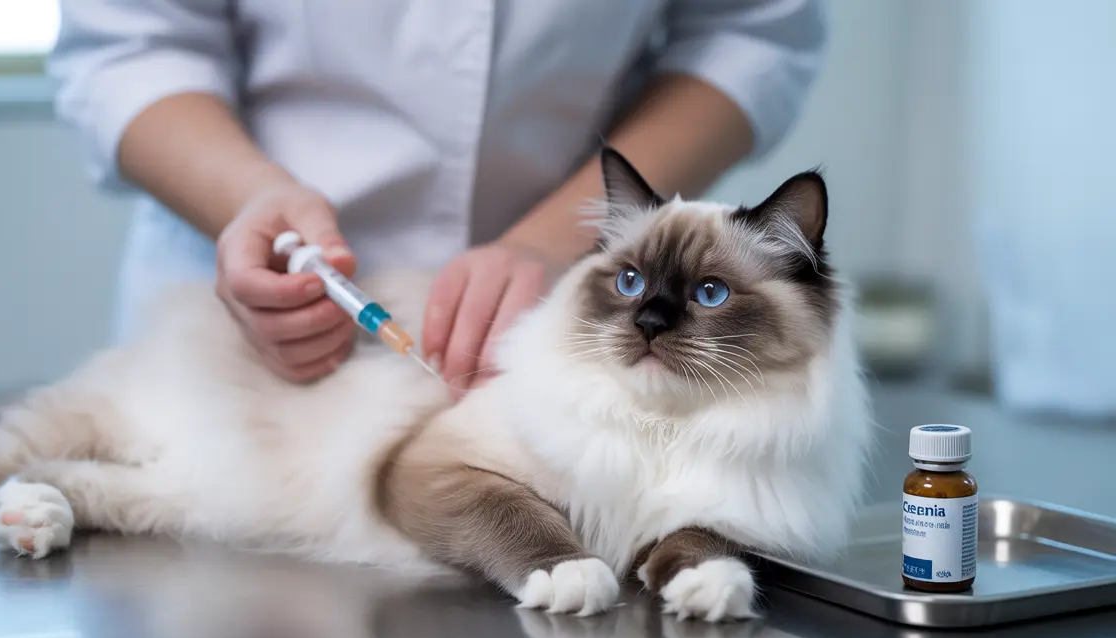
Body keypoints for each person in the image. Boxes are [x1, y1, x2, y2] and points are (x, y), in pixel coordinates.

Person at [48, 0, 825, 394]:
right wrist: (251, 197)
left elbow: (750, 34)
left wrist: (555, 241)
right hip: (250, 300)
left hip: (553, 308)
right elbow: (131, 43)